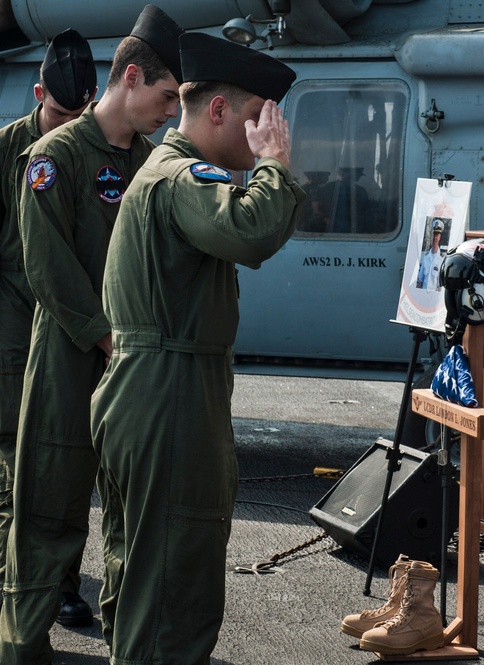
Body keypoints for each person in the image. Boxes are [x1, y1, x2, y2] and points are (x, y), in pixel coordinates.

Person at [90, 32, 302, 663]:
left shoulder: (163, 172)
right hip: (170, 401)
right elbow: (253, 229)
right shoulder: (183, 177)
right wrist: (275, 166)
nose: (269, 133)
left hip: (152, 392)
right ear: (218, 112)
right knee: (173, 593)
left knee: (140, 580)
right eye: (259, 118)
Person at [0, 6, 184, 662]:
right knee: (45, 507)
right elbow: (45, 265)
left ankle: (130, 645)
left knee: (132, 516)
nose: (170, 113)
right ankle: (21, 644)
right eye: (165, 97)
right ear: (130, 77)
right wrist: (108, 337)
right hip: (66, 357)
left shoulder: (157, 167)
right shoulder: (51, 158)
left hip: (135, 366)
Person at [0, 27, 98, 632]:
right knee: (17, 469)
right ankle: (25, 586)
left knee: (70, 466)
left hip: (71, 332)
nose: (69, 125)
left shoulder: (94, 148)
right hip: (13, 334)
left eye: (79, 113)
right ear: (38, 95)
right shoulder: (6, 152)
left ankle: (59, 583)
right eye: (60, 113)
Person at [416, 218, 445, 290]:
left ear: (439, 237)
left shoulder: (442, 260)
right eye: (434, 235)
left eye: (437, 235)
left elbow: (440, 287)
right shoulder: (425, 258)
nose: (435, 238)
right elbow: (420, 282)